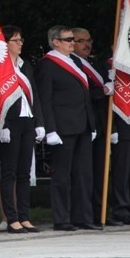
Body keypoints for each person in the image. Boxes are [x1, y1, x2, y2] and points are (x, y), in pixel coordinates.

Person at [34, 25, 99, 231]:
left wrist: (92, 123)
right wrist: (49, 128)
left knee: (83, 174)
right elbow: (45, 99)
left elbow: (84, 95)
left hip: (82, 125)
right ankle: (62, 218)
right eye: (69, 39)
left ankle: (83, 216)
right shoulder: (47, 64)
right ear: (56, 42)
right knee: (62, 175)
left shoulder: (75, 61)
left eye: (73, 39)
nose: (73, 42)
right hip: (62, 127)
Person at [0, 26, 44, 234]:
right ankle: (12, 218)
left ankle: (24, 216)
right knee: (9, 172)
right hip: (10, 123)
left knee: (24, 171)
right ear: (5, 44)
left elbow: (34, 94)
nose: (20, 43)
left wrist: (40, 122)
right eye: (15, 40)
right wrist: (3, 125)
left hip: (28, 120)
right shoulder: (0, 67)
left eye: (20, 40)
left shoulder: (25, 66)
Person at [71, 27, 112, 226]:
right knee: (85, 173)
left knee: (100, 172)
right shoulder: (72, 64)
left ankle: (100, 212)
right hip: (85, 124)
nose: (86, 45)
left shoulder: (94, 63)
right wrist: (103, 91)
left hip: (102, 124)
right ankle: (86, 215)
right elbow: (84, 92)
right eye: (80, 41)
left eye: (89, 40)